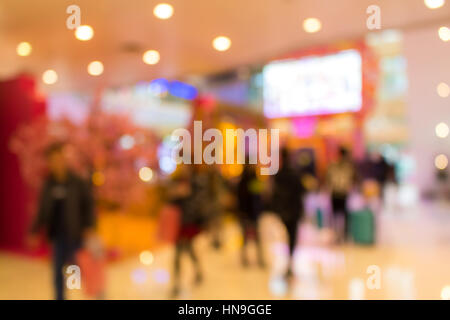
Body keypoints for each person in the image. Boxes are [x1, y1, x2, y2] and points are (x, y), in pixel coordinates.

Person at [28, 143, 95, 300]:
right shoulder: (48, 184)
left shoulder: (77, 182)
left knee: (74, 272)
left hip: (75, 235)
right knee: (57, 272)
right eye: (53, 160)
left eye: (59, 159)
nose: (57, 163)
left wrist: (89, 227)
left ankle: (74, 296)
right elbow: (42, 210)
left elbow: (88, 205)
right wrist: (34, 231)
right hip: (57, 236)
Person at [169, 164, 206, 298]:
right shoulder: (176, 180)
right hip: (178, 223)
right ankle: (177, 283)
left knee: (189, 250)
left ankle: (197, 271)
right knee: (178, 253)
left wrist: (187, 196)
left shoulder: (197, 182)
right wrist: (175, 195)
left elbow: (200, 203)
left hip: (189, 222)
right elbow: (170, 201)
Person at [271, 148, 305, 280]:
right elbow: (301, 191)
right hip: (293, 210)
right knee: (292, 236)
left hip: (285, 211)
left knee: (288, 236)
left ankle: (289, 261)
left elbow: (275, 194)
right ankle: (290, 260)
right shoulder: (294, 173)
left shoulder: (279, 175)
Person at [237, 163, 265, 268]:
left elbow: (258, 197)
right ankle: (247, 259)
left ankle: (257, 259)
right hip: (248, 213)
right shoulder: (245, 180)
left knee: (255, 238)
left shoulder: (249, 179)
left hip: (252, 213)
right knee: (246, 238)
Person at [326, 146, 356, 242]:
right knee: (341, 216)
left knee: (337, 216)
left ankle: (339, 235)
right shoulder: (347, 167)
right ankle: (340, 235)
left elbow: (328, 179)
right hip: (340, 194)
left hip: (337, 193)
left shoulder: (334, 166)